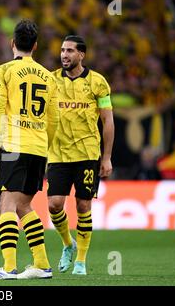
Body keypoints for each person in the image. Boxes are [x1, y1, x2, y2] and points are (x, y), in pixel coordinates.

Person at [0, 20, 59, 280]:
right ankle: (42, 264)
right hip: (37, 147)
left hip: (14, 146)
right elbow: (53, 119)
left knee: (7, 205)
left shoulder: (3, 71)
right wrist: (44, 146)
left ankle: (10, 267)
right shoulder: (49, 77)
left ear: (13, 44)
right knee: (24, 205)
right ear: (35, 45)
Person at [47, 35, 114, 275]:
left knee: (83, 205)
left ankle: (81, 261)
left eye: (70, 51)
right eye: (62, 50)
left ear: (81, 55)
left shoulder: (97, 82)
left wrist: (106, 158)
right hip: (57, 153)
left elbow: (107, 120)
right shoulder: (51, 80)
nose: (64, 55)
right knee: (54, 205)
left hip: (87, 153)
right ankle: (68, 244)